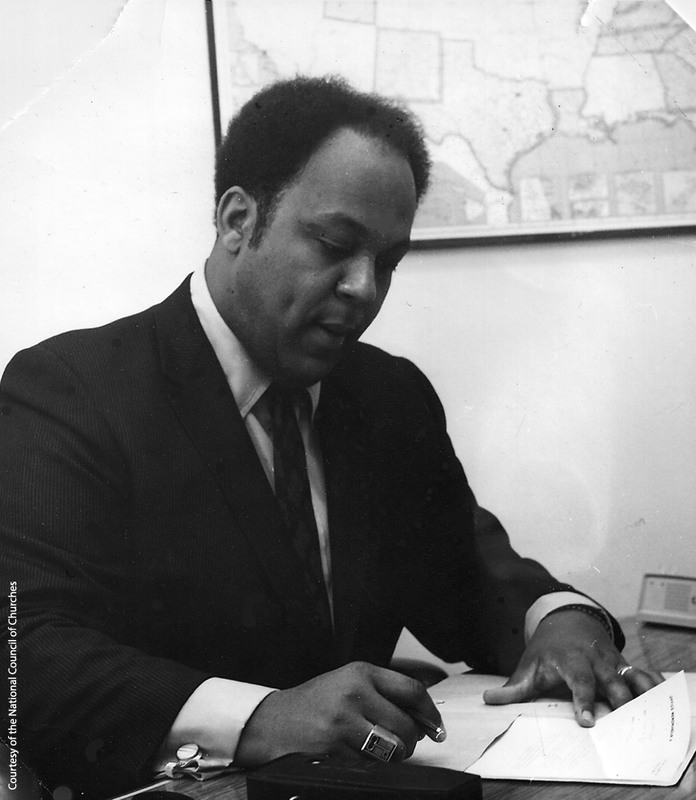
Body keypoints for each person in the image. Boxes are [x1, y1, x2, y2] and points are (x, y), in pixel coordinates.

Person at [0, 76, 659, 798]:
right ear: (237, 220)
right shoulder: (73, 389)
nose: (364, 289)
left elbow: (463, 571)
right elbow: (26, 647)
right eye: (336, 245)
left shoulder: (388, 394)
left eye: (388, 262)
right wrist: (261, 716)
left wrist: (557, 619)